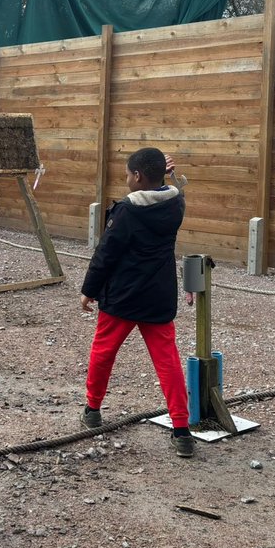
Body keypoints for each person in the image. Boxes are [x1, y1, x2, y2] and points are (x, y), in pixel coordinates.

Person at [80, 147, 194, 458]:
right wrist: (166, 176)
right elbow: (172, 192)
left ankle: (92, 409)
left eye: (129, 174)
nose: (127, 179)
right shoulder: (175, 204)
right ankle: (182, 430)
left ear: (138, 176)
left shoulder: (127, 211)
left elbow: (106, 253)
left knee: (103, 352)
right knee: (168, 362)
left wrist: (89, 289)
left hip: (123, 296)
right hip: (158, 296)